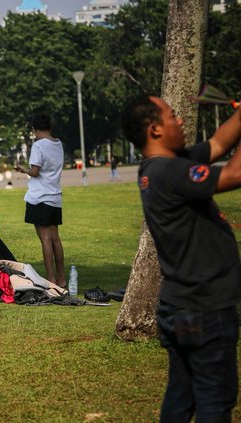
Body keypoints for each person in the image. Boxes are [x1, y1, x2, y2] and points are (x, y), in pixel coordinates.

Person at [120, 94, 241, 422]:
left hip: (180, 305)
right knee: (214, 402)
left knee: (181, 398)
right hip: (205, 308)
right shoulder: (171, 171)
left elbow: (217, 143)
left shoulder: (159, 167)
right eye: (173, 116)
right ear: (155, 129)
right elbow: (233, 174)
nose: (181, 120)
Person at [15, 113, 66, 288]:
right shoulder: (58, 144)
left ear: (34, 129)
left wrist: (23, 170)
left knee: (45, 239)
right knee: (55, 239)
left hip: (39, 197)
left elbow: (35, 172)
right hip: (54, 197)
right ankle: (62, 278)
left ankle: (50, 279)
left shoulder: (38, 145)